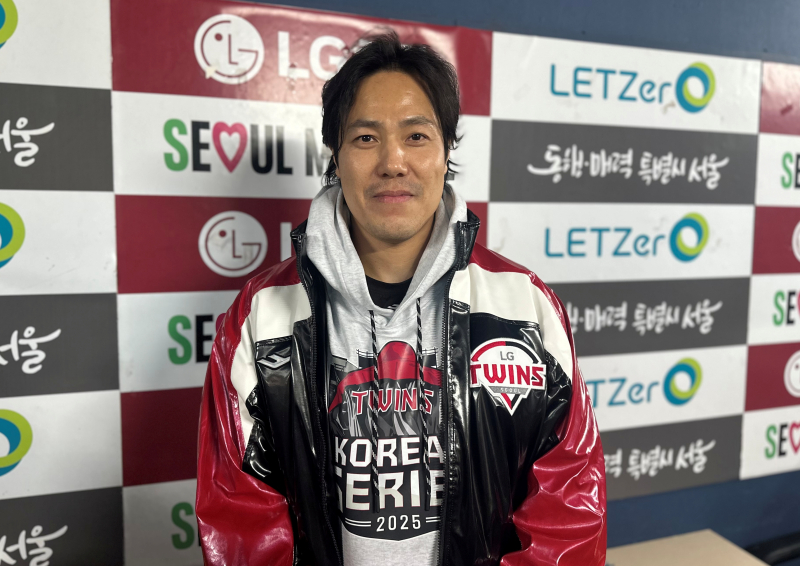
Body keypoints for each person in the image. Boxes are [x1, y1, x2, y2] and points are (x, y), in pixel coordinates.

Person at [196, 31, 606, 566]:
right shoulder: (262, 314)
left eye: (416, 136)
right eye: (366, 137)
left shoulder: (523, 306)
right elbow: (240, 520)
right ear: (335, 155)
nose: (393, 162)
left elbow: (568, 510)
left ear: (446, 151)